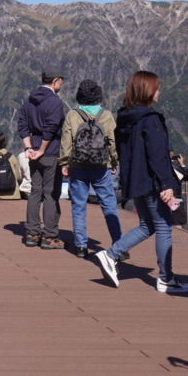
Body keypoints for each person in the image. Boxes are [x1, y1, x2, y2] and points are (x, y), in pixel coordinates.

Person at [94, 71, 188, 293]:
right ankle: (165, 278)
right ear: (148, 91)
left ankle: (110, 255)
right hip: (153, 182)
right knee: (164, 228)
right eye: (156, 88)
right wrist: (167, 183)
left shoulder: (125, 119)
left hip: (134, 181)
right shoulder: (151, 119)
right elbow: (157, 155)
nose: (159, 92)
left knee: (147, 225)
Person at [61, 79, 122, 257]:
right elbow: (112, 141)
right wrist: (114, 162)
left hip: (78, 166)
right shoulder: (106, 115)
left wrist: (64, 162)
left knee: (78, 206)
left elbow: (66, 142)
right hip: (101, 165)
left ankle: (81, 246)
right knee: (109, 206)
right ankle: (118, 244)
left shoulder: (73, 115)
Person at [17, 72, 66, 248]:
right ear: (55, 81)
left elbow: (22, 125)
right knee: (51, 194)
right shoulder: (55, 102)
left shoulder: (29, 101)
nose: (62, 84)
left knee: (35, 192)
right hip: (50, 151)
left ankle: (32, 233)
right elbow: (51, 128)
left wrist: (29, 148)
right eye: (61, 81)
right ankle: (49, 236)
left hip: (33, 151)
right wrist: (42, 150)